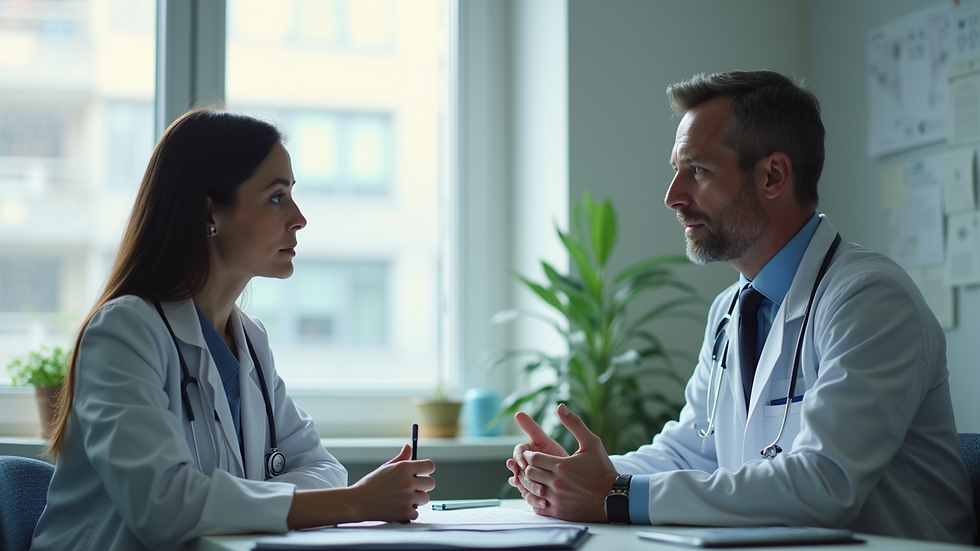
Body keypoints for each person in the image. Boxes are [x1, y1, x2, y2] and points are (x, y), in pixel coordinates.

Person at [506, 70, 976, 544]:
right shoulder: (731, 308)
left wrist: (615, 494)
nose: (673, 197)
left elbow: (825, 485)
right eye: (676, 170)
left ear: (773, 175)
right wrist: (571, 475)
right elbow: (693, 450)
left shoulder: (869, 299)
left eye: (699, 170)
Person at [31, 109, 436, 551]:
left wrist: (238, 500)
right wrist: (353, 504)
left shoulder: (250, 341)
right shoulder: (126, 331)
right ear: (210, 210)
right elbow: (164, 507)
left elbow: (322, 467)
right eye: (276, 197)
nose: (299, 218)